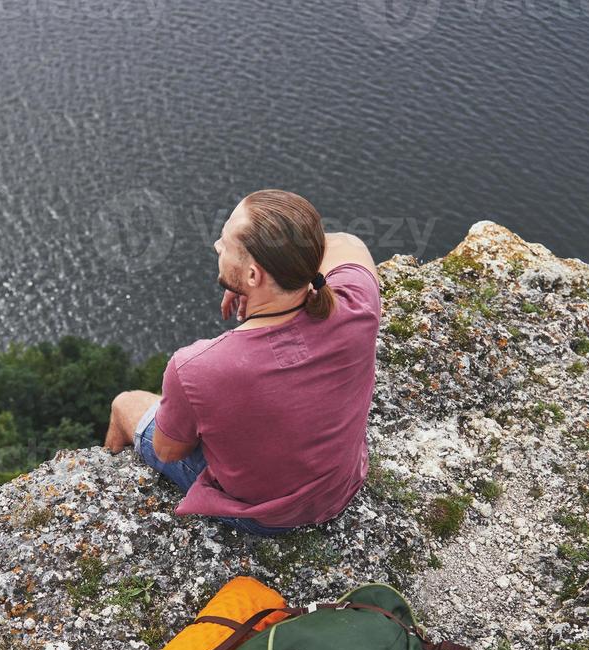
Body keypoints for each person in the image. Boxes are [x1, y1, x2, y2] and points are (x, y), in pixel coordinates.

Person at [103, 189, 381, 536]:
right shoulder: (357, 303)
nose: (217, 246)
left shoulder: (197, 368)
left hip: (270, 517)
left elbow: (169, 450)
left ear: (253, 275)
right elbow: (348, 243)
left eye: (225, 242)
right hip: (343, 485)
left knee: (125, 404)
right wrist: (283, 273)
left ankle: (106, 471)